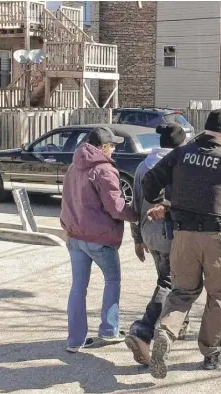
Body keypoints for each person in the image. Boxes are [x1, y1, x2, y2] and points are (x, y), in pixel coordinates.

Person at [142, 108, 221, 378]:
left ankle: (165, 333)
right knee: (218, 295)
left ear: (204, 129)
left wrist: (165, 203)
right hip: (217, 239)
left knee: (182, 292)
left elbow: (149, 185)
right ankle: (212, 353)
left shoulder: (179, 154)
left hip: (182, 236)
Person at [60, 126, 137, 353]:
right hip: (100, 238)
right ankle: (109, 330)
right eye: (112, 145)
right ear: (103, 146)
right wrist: (137, 216)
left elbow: (65, 200)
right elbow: (116, 207)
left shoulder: (73, 167)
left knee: (78, 288)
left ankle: (75, 340)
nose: (113, 149)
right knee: (112, 281)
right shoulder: (104, 170)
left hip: (74, 236)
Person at [126, 123, 190, 366]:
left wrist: (137, 239)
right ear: (181, 144)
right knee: (170, 283)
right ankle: (143, 330)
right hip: (169, 234)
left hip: (149, 233)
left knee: (171, 281)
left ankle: (181, 325)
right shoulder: (178, 166)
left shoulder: (144, 166)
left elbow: (135, 205)